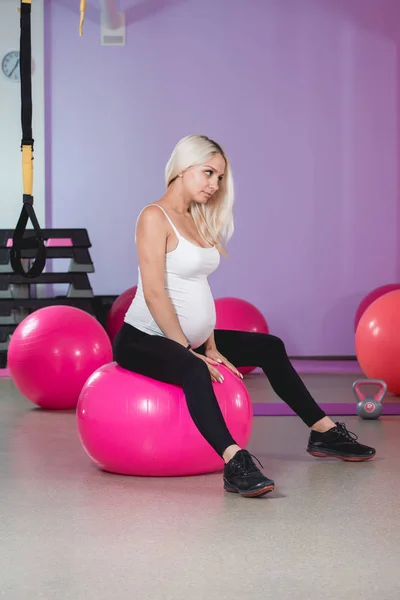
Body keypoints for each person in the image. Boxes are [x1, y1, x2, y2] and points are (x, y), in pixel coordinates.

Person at [113, 134, 376, 498]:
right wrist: (186, 350)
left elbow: (196, 289)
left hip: (189, 339)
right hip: (143, 338)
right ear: (182, 168)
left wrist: (210, 343)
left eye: (219, 177)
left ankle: (324, 432)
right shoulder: (153, 217)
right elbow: (156, 291)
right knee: (192, 370)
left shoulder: (195, 218)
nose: (215, 184)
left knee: (269, 347)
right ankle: (234, 461)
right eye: (208, 173)